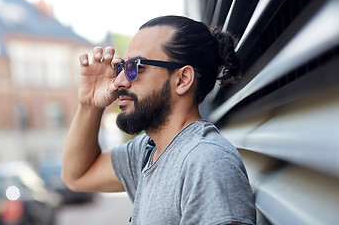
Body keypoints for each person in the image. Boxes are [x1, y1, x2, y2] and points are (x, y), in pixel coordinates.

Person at [62, 15, 256, 225]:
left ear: (182, 79)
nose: (119, 82)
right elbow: (77, 176)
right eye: (122, 67)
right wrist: (89, 104)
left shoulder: (206, 161)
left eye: (136, 66)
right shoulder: (148, 152)